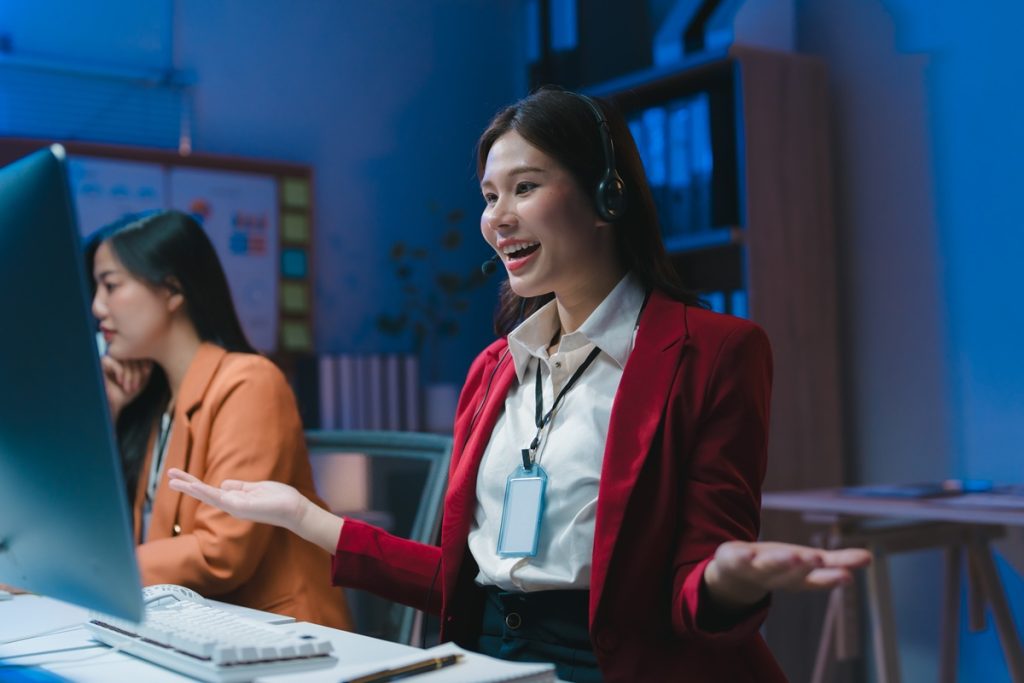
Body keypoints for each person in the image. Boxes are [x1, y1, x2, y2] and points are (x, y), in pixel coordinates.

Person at [169, 89, 869, 681]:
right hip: (492, 658)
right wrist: (299, 514)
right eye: (489, 195)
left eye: (526, 188)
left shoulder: (715, 351)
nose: (496, 218)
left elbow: (691, 580)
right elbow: (460, 576)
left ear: (606, 194)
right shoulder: (494, 368)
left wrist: (730, 574)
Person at [87, 210, 351, 629]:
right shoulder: (158, 401)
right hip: (195, 629)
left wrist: (92, 571)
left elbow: (220, 552)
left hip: (281, 638)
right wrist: (112, 413)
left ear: (172, 289)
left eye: (111, 285)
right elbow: (123, 531)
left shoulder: (249, 382)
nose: (97, 306)